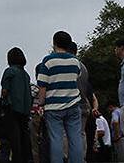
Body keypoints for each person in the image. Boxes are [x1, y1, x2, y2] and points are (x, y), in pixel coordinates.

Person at [36, 31, 82, 163]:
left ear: (54, 43)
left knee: (56, 139)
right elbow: (76, 78)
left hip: (54, 107)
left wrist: (41, 104)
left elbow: (42, 85)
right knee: (75, 138)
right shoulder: (75, 61)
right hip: (73, 104)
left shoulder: (48, 61)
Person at [0, 47, 32, 163]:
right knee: (23, 139)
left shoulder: (9, 71)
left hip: (11, 109)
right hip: (25, 111)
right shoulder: (26, 75)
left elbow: (5, 91)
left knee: (10, 140)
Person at [68, 41, 99, 159]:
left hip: (73, 104)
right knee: (81, 134)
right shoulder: (83, 67)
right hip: (85, 105)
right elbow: (91, 94)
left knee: (69, 134)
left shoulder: (69, 65)